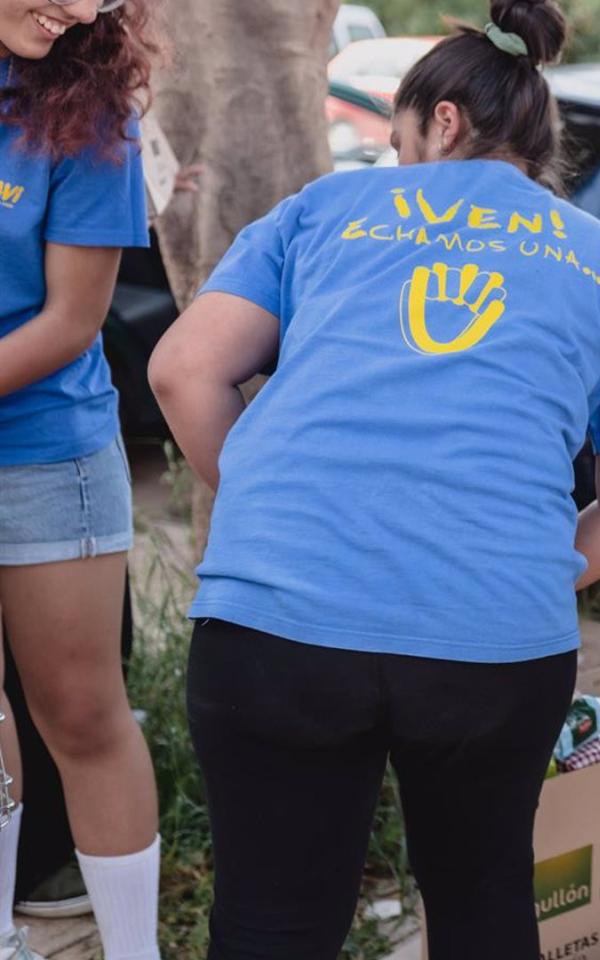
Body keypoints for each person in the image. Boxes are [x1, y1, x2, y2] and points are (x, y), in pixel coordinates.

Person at [146, 0, 600, 954]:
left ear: (442, 122)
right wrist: (515, 572)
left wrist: (262, 510)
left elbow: (181, 370)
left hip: (274, 620)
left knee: (270, 921)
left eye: (402, 137)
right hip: (492, 645)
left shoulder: (324, 208)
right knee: (482, 900)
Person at [0, 0, 165, 956]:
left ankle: (133, 951)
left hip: (43, 450)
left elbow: (69, 322)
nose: (79, 9)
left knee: (83, 714)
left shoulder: (93, 99)